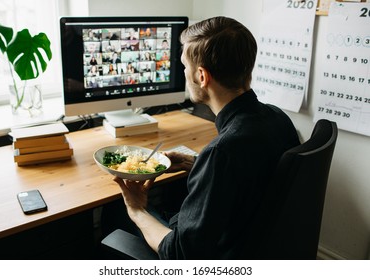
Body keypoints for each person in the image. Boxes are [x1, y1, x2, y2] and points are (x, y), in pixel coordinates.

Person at [111, 16, 300, 259]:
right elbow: (253, 178)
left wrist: (136, 209)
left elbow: (180, 254)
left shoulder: (222, 153)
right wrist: (196, 164)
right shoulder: (277, 118)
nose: (183, 73)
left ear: (202, 76)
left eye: (184, 66)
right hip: (255, 247)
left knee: (117, 211)